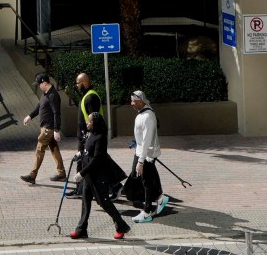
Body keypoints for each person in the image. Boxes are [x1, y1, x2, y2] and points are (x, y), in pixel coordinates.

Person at [67, 105, 130, 241]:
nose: (87, 123)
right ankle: (81, 229)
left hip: (98, 177)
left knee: (104, 202)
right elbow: (88, 151)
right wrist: (80, 154)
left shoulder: (100, 137)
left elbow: (97, 158)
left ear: (95, 123)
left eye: (90, 121)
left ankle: (121, 226)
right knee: (85, 202)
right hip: (89, 177)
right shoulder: (91, 134)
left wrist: (81, 173)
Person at [126, 89, 169, 220]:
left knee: (146, 182)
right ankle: (159, 198)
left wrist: (141, 161)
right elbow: (142, 138)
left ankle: (147, 211)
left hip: (146, 155)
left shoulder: (147, 117)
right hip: (141, 152)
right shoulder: (143, 113)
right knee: (142, 178)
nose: (131, 103)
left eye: (134, 101)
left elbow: (147, 141)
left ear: (141, 101)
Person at [20, 73, 67, 184]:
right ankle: (61, 174)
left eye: (39, 84)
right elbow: (39, 106)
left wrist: (56, 130)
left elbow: (57, 113)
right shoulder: (45, 94)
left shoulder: (53, 96)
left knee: (39, 149)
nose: (38, 86)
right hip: (46, 127)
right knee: (54, 150)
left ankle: (32, 175)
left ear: (44, 83)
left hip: (49, 129)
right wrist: (30, 116)